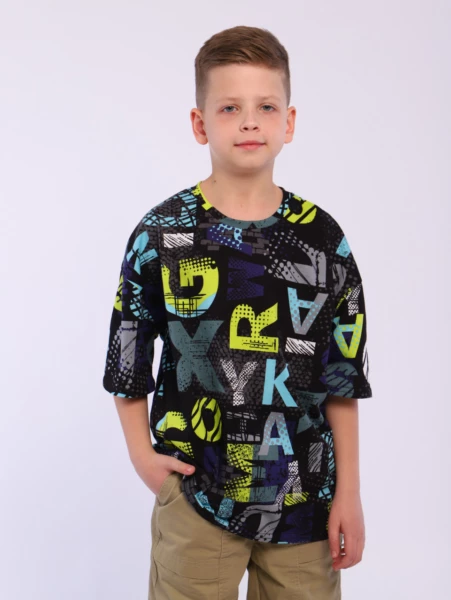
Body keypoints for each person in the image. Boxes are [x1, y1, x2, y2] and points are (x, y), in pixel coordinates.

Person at [102, 24, 373, 600]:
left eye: (265, 107)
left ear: (288, 122)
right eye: (230, 107)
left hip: (304, 504)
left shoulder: (324, 241)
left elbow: (343, 378)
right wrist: (143, 457)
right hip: (197, 497)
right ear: (200, 123)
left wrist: (348, 492)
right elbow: (128, 357)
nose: (249, 122)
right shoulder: (162, 234)